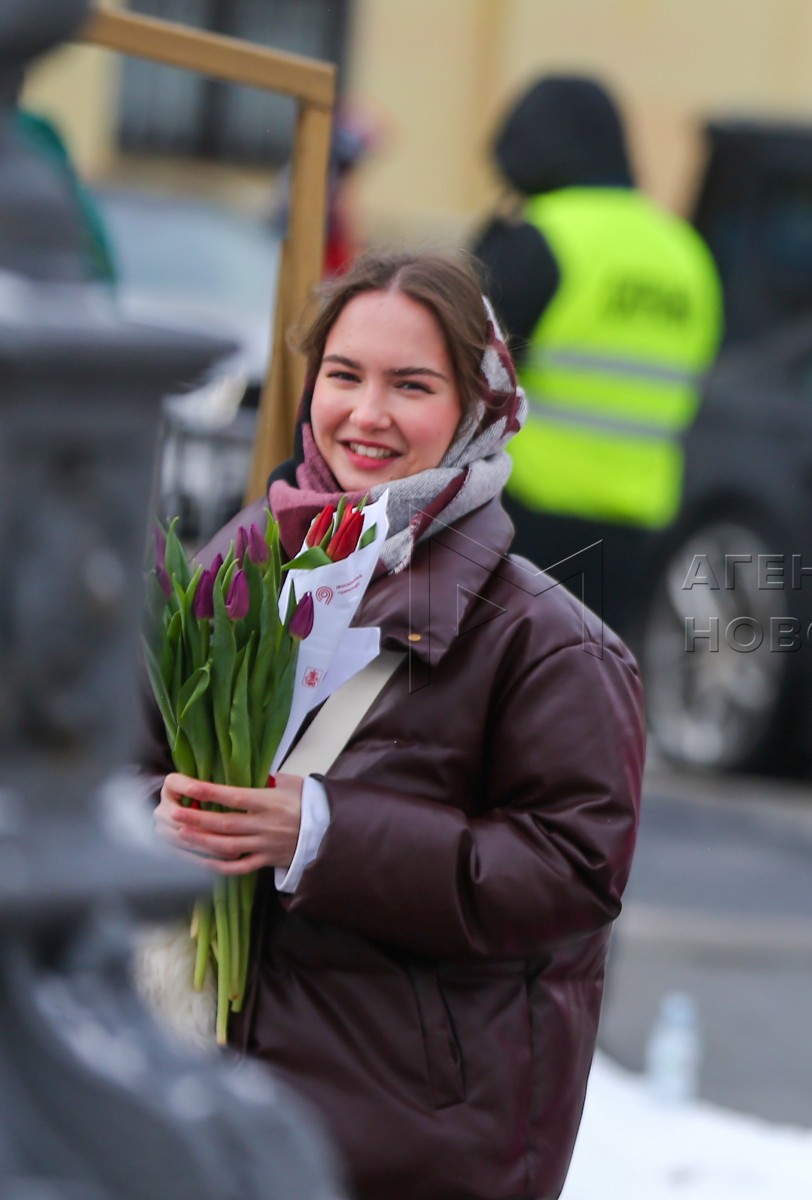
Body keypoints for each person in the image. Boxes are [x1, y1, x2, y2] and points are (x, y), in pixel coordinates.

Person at [146, 250, 645, 1200]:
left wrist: (323, 834)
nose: (366, 415)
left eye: (410, 385)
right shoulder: (234, 573)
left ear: (477, 409)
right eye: (344, 376)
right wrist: (166, 813)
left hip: (406, 1145)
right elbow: (123, 763)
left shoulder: (549, 644)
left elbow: (573, 874)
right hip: (207, 1104)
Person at [474, 74, 722, 641]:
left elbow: (465, 381)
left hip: (527, 516)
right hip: (637, 530)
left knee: (506, 690)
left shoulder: (541, 241)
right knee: (587, 695)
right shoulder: (684, 252)